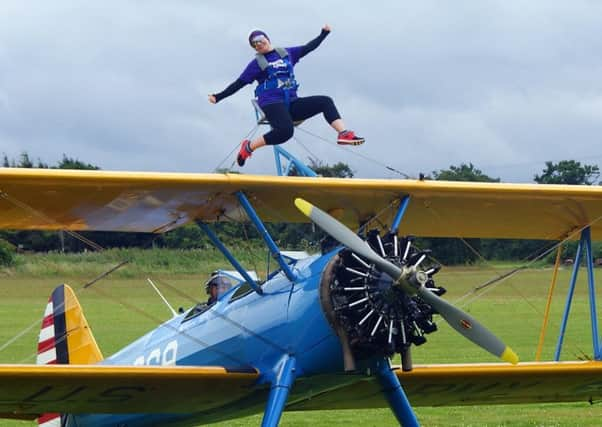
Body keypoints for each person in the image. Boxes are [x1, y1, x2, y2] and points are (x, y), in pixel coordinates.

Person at [209, 25, 365, 167]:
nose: (257, 44)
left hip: (291, 101)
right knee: (285, 132)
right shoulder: (256, 64)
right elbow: (239, 83)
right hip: (271, 102)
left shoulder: (287, 53)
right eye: (254, 44)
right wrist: (218, 96)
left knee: (325, 101)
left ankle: (344, 134)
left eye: (259, 40)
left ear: (267, 39)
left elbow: (308, 47)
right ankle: (249, 147)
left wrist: (323, 34)